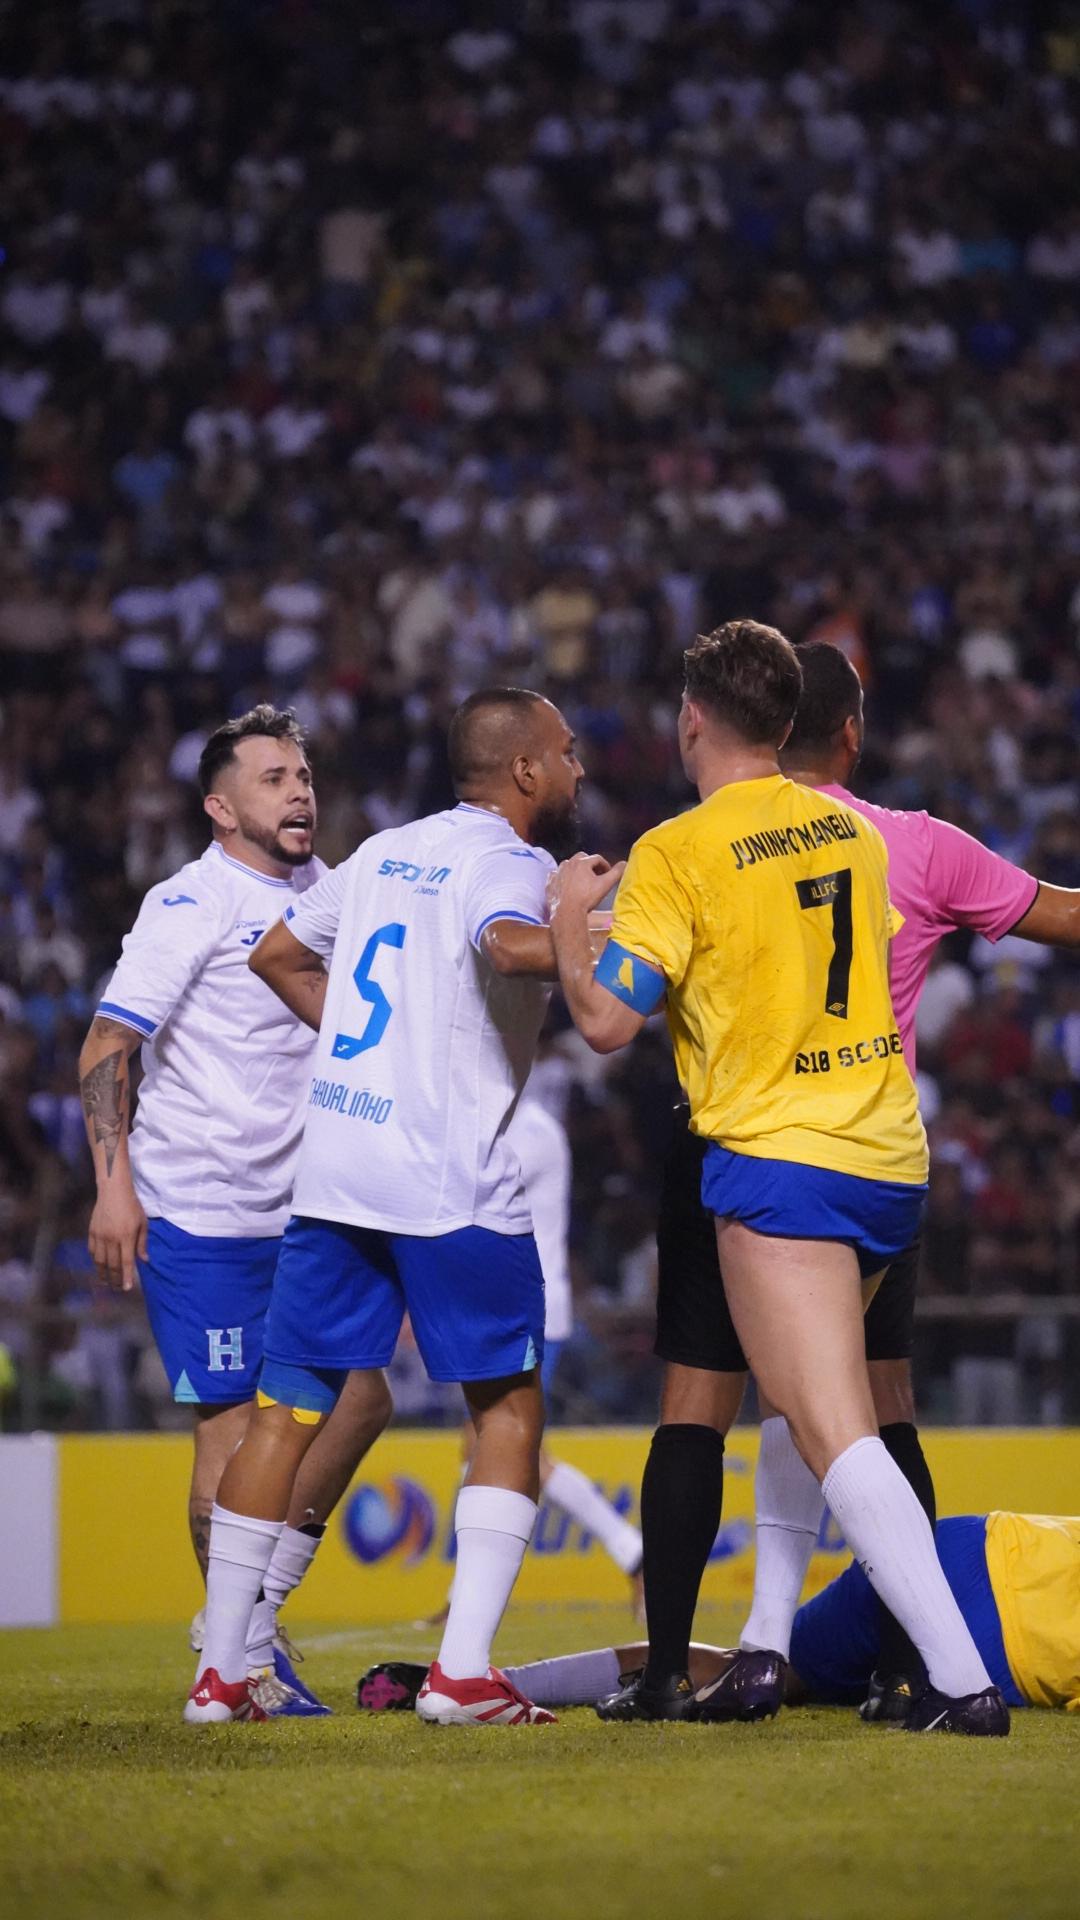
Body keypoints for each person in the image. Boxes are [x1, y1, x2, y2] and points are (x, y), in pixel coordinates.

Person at [550, 619, 1008, 1736]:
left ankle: (961, 1682)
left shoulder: (679, 849)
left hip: (780, 1163)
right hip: (885, 1154)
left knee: (833, 1426)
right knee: (823, 1415)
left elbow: (608, 1020)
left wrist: (570, 922)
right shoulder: (848, 834)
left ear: (692, 720)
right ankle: (781, 1642)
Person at [186, 687, 618, 1727]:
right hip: (447, 1175)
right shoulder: (513, 863)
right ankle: (464, 1677)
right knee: (507, 1408)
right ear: (523, 773)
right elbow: (511, 947)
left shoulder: (381, 851)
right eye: (565, 755)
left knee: (286, 1412)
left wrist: (366, 1051)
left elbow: (277, 954)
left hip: (338, 1166)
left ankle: (221, 1672)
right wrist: (571, 907)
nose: (577, 772)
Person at [79, 706, 391, 1716]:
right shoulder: (190, 904)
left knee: (360, 1402)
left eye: (303, 773)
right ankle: (233, 1658)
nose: (299, 790)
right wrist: (113, 1184)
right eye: (272, 777)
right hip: (201, 1211)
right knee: (230, 1431)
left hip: (304, 1206)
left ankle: (248, 1623)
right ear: (221, 806)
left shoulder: (327, 889)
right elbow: (105, 1049)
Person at [358, 1511, 1080, 1718]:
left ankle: (482, 1680)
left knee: (749, 1668)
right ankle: (481, 1682)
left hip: (972, 1543)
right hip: (1002, 1639)